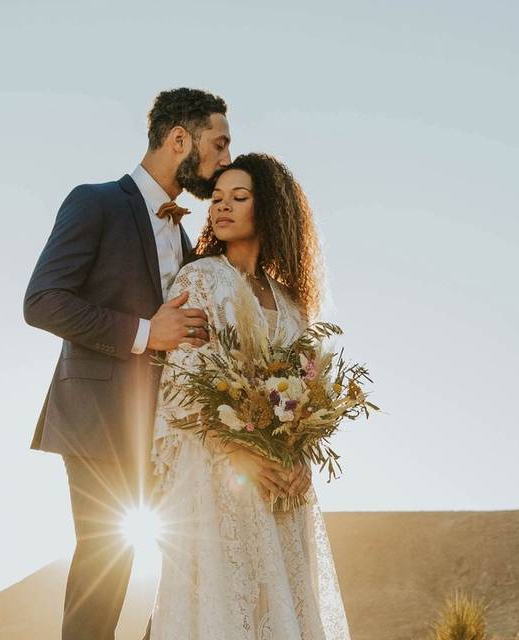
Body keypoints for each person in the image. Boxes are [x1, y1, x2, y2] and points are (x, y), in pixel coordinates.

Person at [22, 88, 231, 640]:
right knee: (106, 562)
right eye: (219, 143)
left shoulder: (187, 239)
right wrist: (145, 333)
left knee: (191, 559)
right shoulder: (96, 202)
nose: (225, 159)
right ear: (178, 139)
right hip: (96, 419)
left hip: (168, 429)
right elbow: (41, 301)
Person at [148, 153, 352, 639]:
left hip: (282, 488)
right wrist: (239, 454)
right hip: (222, 476)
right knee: (229, 604)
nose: (221, 208)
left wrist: (300, 459)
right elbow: (182, 381)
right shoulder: (200, 279)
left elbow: (305, 391)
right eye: (217, 199)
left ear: (271, 210)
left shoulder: (292, 303)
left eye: (239, 198)